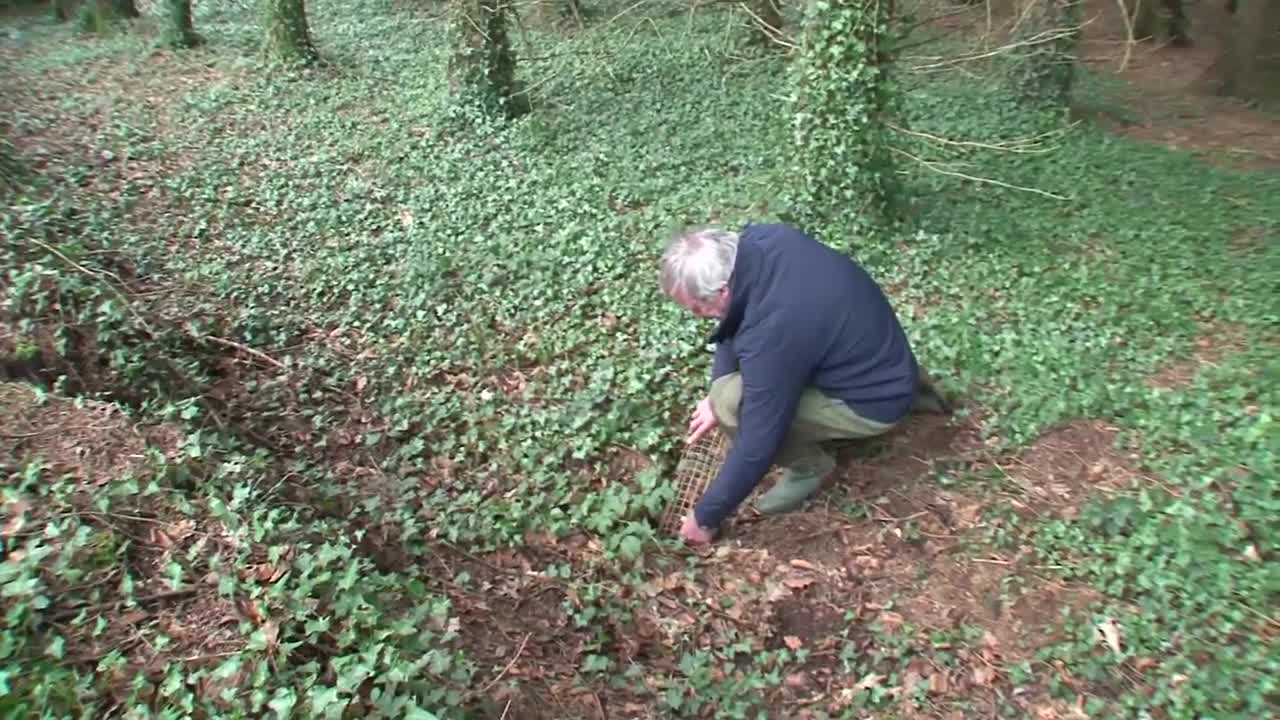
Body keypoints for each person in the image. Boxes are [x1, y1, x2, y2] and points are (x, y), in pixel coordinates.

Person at [658, 222, 950, 544]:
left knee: (732, 404)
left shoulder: (772, 331)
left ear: (722, 290)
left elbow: (758, 439)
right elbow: (732, 318)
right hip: (881, 357)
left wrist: (705, 517)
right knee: (724, 392)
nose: (699, 315)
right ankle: (913, 390)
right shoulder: (763, 239)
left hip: (873, 402)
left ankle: (811, 467)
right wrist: (718, 383)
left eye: (698, 308)